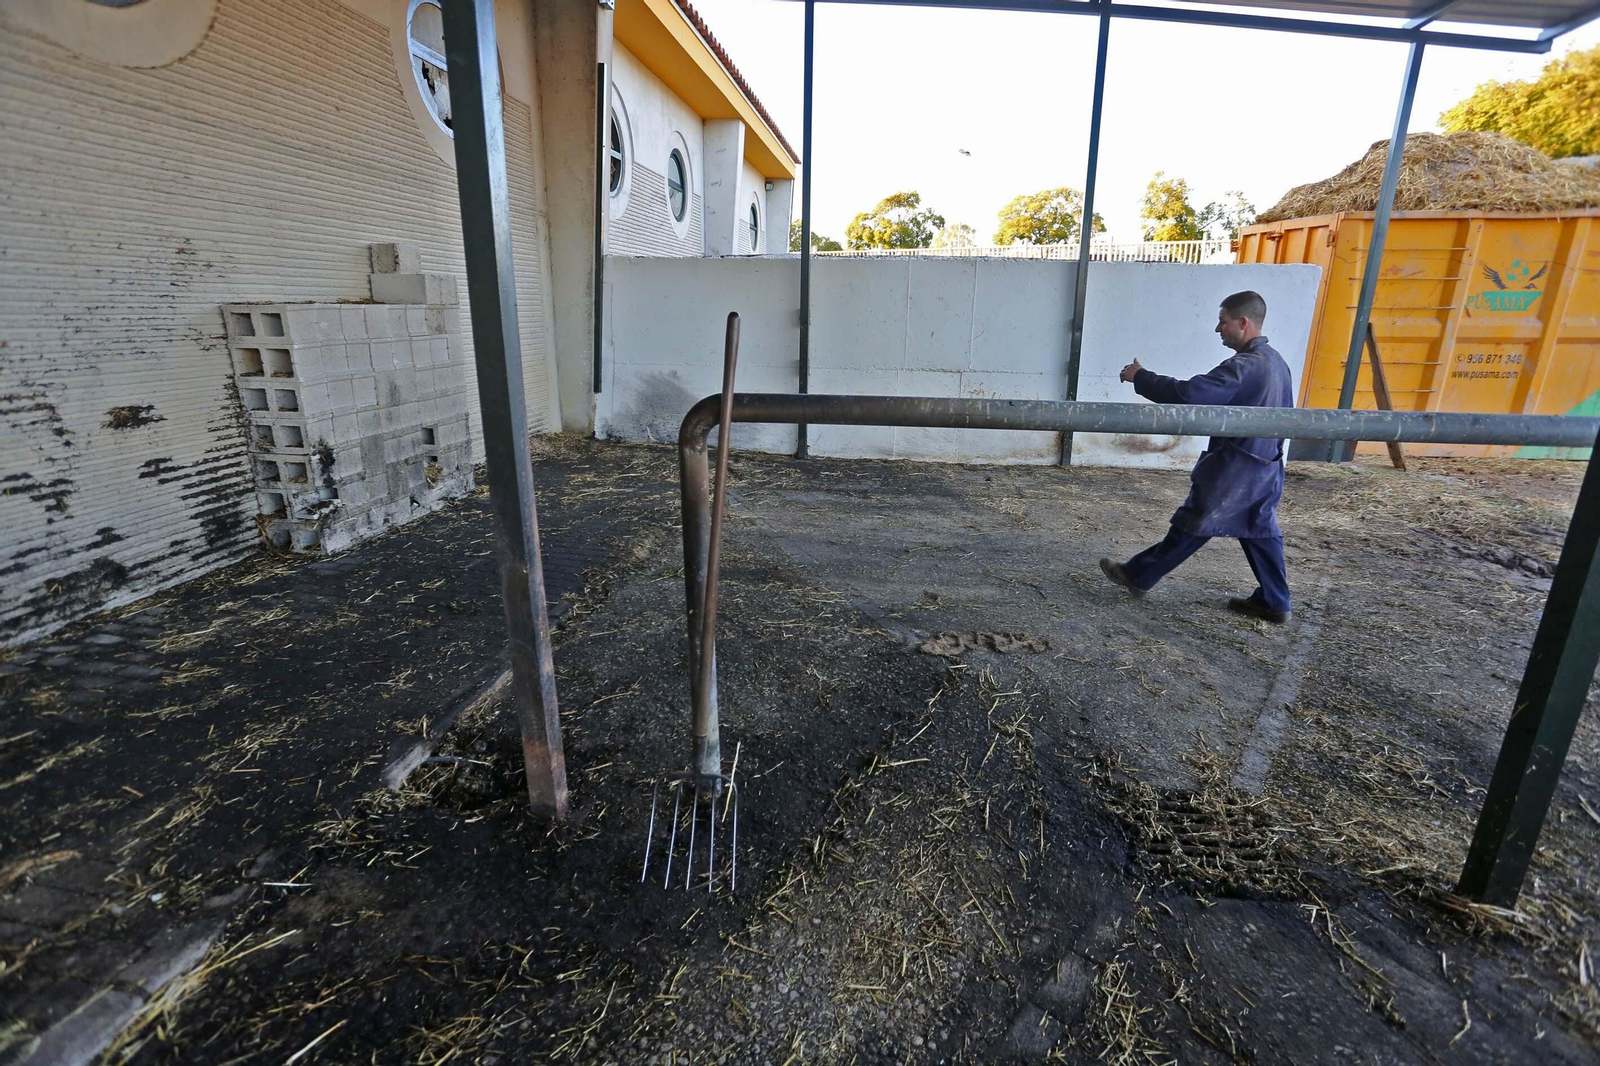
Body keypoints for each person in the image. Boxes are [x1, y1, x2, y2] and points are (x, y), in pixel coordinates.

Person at [1098, 290, 1295, 624]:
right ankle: (1274, 601)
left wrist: (1141, 377)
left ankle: (1138, 575)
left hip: (1236, 466)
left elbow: (1189, 394)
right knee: (1259, 530)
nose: (1218, 329)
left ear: (1243, 322)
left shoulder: (1243, 367)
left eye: (1223, 321)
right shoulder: (1277, 362)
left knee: (1196, 521)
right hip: (1268, 464)